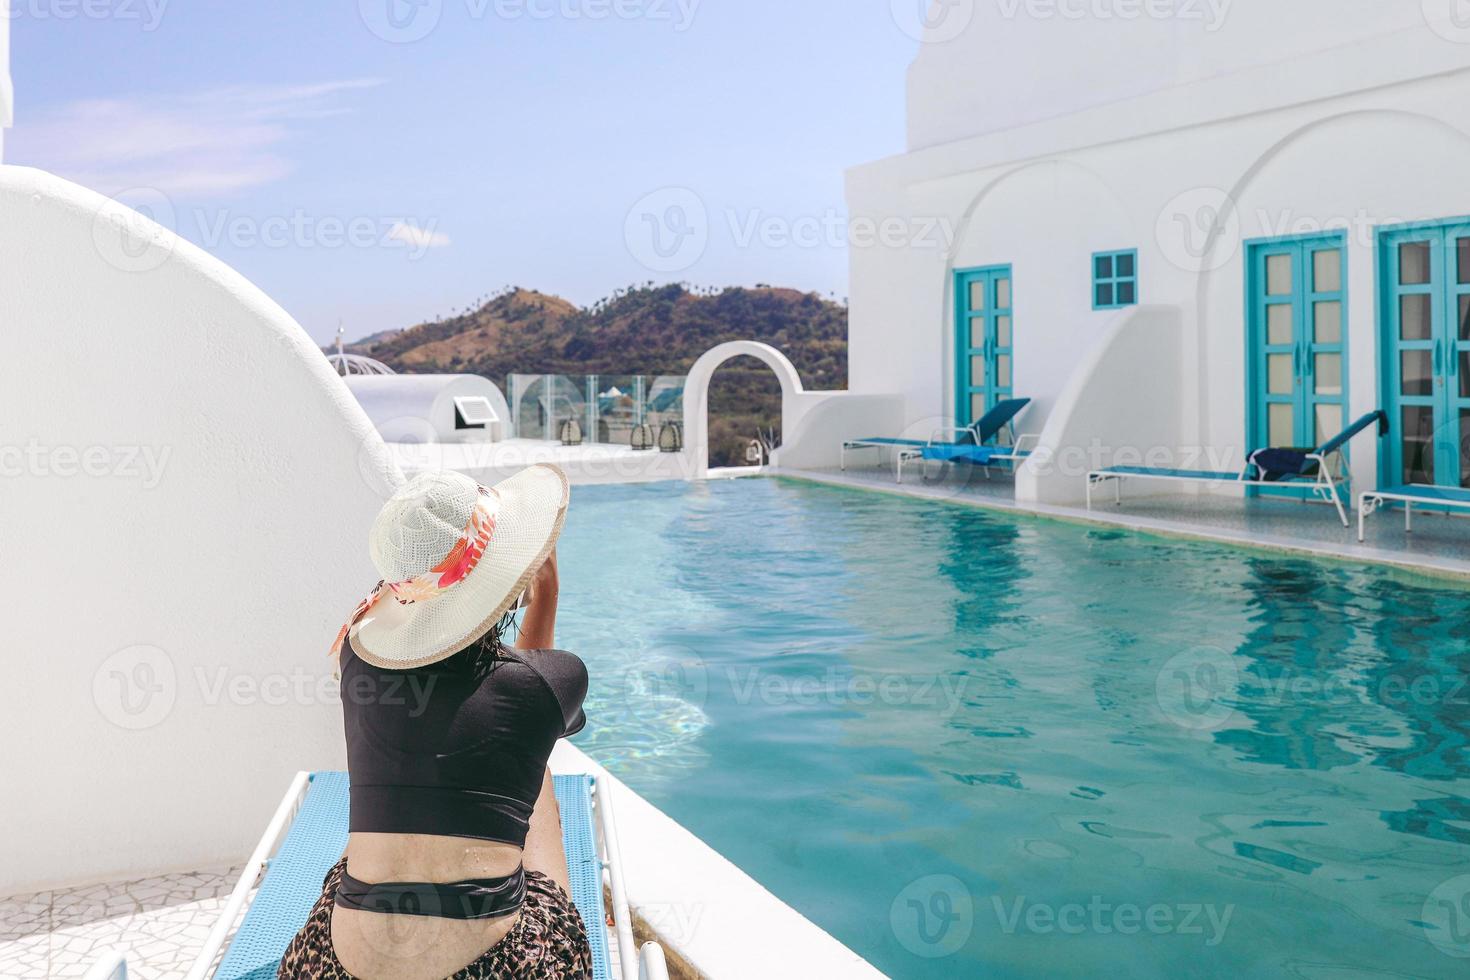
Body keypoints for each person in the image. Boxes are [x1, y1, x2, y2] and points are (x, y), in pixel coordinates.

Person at [279, 463, 593, 979]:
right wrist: (547, 592)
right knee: (533, 772)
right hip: (500, 967)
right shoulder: (552, 681)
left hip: (332, 965)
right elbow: (527, 715)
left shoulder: (355, 663)